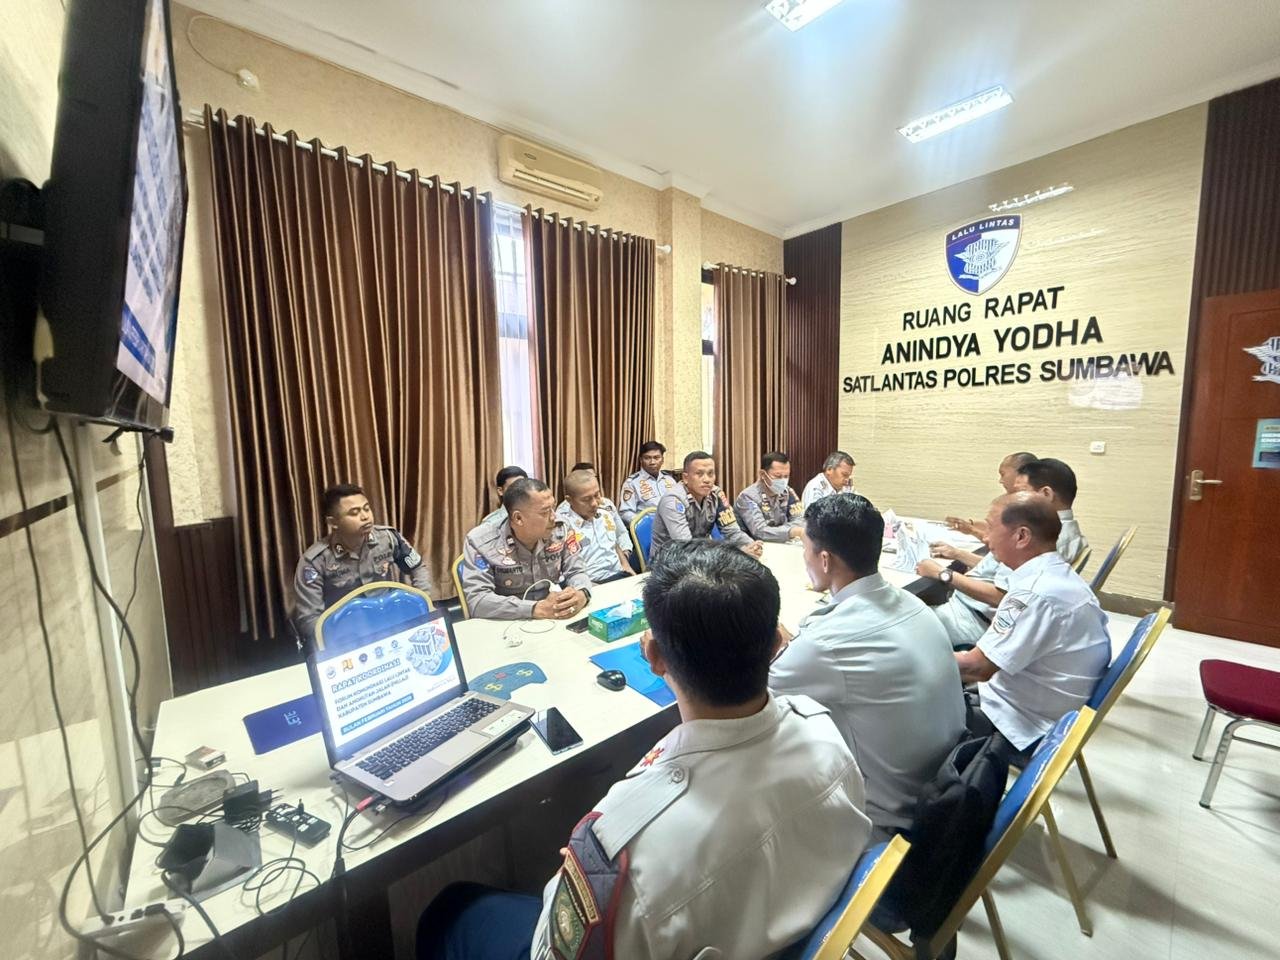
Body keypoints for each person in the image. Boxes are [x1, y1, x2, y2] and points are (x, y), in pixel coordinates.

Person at [415, 541, 872, 960]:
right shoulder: (825, 734)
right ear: (776, 644)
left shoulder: (622, 853)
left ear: (652, 656)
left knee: (451, 909)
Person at [769, 495, 965, 841]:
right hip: (945, 784)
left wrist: (774, 643)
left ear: (825, 559)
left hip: (889, 819)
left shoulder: (827, 643)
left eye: (806, 549)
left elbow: (756, 694)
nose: (805, 558)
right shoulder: (913, 603)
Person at [954, 493, 1111, 764]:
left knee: (899, 695)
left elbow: (976, 669)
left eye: (990, 527)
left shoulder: (1034, 594)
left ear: (1021, 536)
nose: (986, 538)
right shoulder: (1056, 575)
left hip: (1017, 725)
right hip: (1037, 708)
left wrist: (909, 660)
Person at [292, 483, 430, 640]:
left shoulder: (388, 538)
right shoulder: (314, 561)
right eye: (354, 513)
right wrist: (336, 641)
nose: (365, 517)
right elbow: (310, 619)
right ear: (333, 522)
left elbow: (418, 567)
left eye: (366, 508)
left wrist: (422, 605)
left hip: (390, 622)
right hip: (347, 635)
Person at [460, 477, 593, 620]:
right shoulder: (481, 541)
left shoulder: (562, 528)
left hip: (553, 616)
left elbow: (577, 571)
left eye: (553, 508)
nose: (554, 517)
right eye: (545, 512)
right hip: (507, 620)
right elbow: (478, 601)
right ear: (518, 518)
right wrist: (535, 609)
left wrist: (582, 593)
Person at [650, 450, 763, 558]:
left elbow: (732, 531)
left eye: (710, 474)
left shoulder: (716, 495)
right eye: (699, 474)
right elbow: (687, 547)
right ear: (685, 478)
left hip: (701, 557)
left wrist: (751, 545)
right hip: (669, 561)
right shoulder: (673, 501)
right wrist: (737, 552)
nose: (707, 480)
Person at [555, 468, 636, 583]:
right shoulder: (563, 528)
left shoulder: (605, 515)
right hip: (591, 583)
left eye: (597, 495)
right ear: (569, 500)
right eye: (586, 499)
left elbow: (614, 545)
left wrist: (629, 571)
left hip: (619, 575)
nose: (594, 503)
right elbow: (564, 573)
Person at [1012, 457, 1089, 564]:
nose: (1014, 500)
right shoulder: (1062, 534)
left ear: (1046, 494)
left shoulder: (1051, 541)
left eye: (1021, 492)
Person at [944, 451, 1035, 538]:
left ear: (1021, 473)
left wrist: (972, 531)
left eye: (1003, 474)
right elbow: (994, 527)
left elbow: (1005, 543)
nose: (1000, 481)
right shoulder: (1009, 499)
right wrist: (969, 524)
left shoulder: (1029, 505)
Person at [735, 451, 806, 543]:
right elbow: (760, 532)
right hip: (754, 546)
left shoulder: (788, 492)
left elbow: (800, 519)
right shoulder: (748, 497)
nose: (783, 481)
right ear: (762, 474)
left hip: (782, 543)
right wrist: (791, 531)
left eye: (786, 476)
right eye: (778, 476)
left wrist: (785, 532)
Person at [618, 440, 679, 524]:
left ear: (662, 460)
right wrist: (645, 523)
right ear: (641, 460)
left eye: (656, 458)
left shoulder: (670, 480)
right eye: (647, 458)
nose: (652, 462)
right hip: (649, 528)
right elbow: (625, 513)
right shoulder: (632, 483)